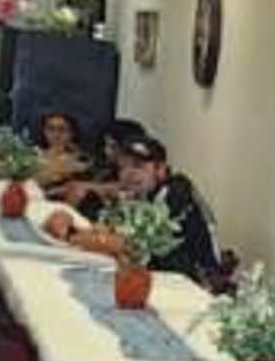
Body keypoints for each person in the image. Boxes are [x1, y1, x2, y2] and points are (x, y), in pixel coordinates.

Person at [45, 119, 221, 281]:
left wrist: (72, 234)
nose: (128, 174)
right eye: (123, 167)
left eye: (138, 166)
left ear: (161, 169)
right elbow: (106, 230)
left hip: (195, 284)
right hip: (154, 277)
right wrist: (70, 223)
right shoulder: (137, 195)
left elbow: (127, 244)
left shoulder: (176, 192)